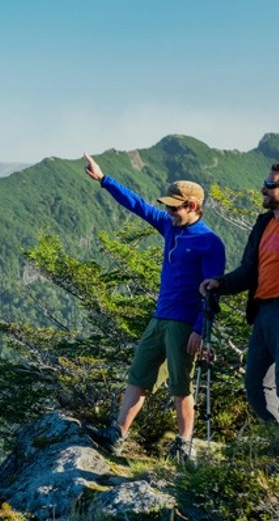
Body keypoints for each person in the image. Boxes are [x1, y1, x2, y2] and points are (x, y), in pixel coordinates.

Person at [82, 153, 226, 463]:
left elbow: (213, 292)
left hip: (184, 323)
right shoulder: (170, 226)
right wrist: (104, 179)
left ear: (192, 206)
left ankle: (184, 445)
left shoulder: (210, 243)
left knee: (180, 386)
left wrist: (200, 330)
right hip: (160, 316)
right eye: (167, 206)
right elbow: (138, 205)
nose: (167, 211)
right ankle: (117, 435)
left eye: (174, 207)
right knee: (139, 376)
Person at [200, 163, 279, 428]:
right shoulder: (264, 222)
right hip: (263, 311)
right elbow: (248, 270)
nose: (263, 190)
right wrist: (219, 284)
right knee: (256, 386)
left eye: (269, 186)